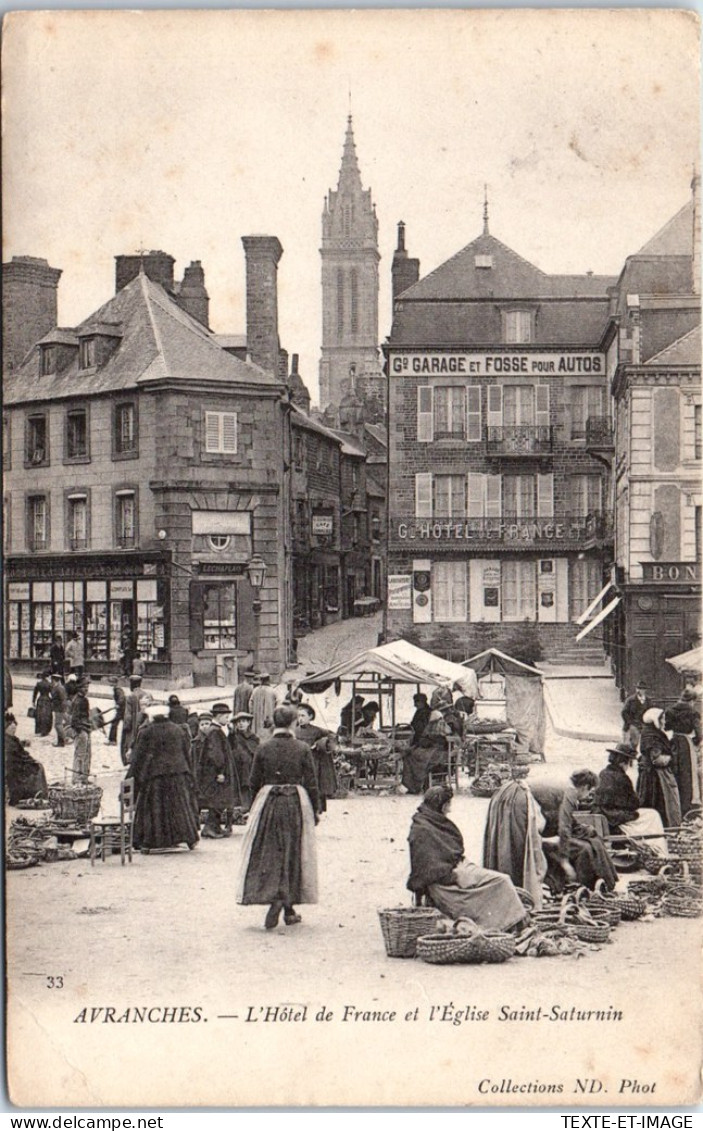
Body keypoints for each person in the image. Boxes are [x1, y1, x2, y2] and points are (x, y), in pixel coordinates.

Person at [236, 705, 319, 930]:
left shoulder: (264, 748)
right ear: (293, 723)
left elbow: (254, 782)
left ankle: (286, 906)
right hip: (295, 802)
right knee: (293, 851)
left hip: (268, 802)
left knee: (272, 853)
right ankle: (282, 900)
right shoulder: (302, 748)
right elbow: (312, 782)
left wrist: (255, 807)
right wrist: (316, 810)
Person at [407, 785, 526, 931]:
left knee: (501, 880)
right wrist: (453, 876)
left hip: (456, 868)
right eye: (448, 804)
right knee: (502, 881)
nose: (450, 809)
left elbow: (448, 854)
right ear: (441, 805)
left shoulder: (431, 821)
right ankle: (507, 923)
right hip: (444, 880)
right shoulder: (422, 829)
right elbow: (426, 869)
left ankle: (513, 921)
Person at [126, 702, 199, 852]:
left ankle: (150, 841)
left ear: (152, 716)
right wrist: (189, 773)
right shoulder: (178, 730)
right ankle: (190, 838)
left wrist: (130, 779)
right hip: (178, 774)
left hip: (156, 776)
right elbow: (186, 753)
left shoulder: (147, 732)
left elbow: (138, 758)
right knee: (179, 807)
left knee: (154, 808)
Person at [531, 771, 617, 893]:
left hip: (538, 819)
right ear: (584, 787)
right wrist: (564, 860)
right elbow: (564, 827)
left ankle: (601, 882)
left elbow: (562, 816)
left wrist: (582, 828)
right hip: (531, 822)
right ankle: (582, 886)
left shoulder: (565, 786)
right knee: (584, 848)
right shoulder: (570, 792)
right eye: (590, 792)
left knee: (593, 839)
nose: (588, 797)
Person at [482, 778, 548, 909]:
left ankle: (507, 895)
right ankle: (519, 897)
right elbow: (538, 827)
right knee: (519, 852)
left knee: (506, 850)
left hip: (509, 806)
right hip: (518, 809)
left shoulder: (504, 791)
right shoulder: (525, 795)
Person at [593, 743, 667, 851]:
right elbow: (634, 803)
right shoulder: (622, 778)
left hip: (604, 815)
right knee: (653, 815)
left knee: (648, 814)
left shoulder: (603, 773)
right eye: (628, 763)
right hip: (615, 819)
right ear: (623, 763)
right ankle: (658, 849)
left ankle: (652, 847)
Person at [638, 707, 682, 827]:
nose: (664, 721)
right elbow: (656, 759)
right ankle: (664, 826)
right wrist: (672, 758)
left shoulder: (649, 732)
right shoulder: (653, 735)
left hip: (650, 774)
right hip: (656, 777)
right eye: (661, 718)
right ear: (654, 720)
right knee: (661, 802)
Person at [199, 702, 235, 837]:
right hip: (215, 772)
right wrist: (220, 771)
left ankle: (216, 827)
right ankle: (210, 828)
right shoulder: (215, 731)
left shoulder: (216, 730)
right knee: (217, 799)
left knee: (219, 798)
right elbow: (216, 754)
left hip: (213, 771)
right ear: (219, 716)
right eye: (226, 717)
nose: (227, 719)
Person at [295, 702, 337, 813]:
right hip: (299, 761)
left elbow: (332, 736)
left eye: (303, 716)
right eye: (298, 716)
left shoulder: (317, 730)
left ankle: (317, 808)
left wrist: (320, 743)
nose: (300, 719)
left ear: (311, 717)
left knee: (314, 784)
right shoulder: (295, 731)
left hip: (314, 761)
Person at [664, 701, 701, 817]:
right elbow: (699, 733)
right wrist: (695, 741)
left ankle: (677, 805)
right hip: (686, 744)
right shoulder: (692, 712)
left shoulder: (671, 709)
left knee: (676, 773)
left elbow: (666, 726)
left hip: (674, 741)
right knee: (688, 776)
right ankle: (687, 807)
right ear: (691, 700)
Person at [4, 712, 48, 805]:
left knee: (37, 765)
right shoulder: (8, 742)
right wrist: (30, 761)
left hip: (18, 764)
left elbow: (20, 753)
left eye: (14, 727)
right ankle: (38, 793)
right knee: (39, 768)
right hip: (16, 768)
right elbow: (17, 756)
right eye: (11, 728)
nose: (14, 729)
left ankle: (37, 793)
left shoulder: (10, 739)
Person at [229, 711, 260, 811]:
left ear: (248, 723)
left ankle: (247, 806)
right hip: (235, 766)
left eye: (243, 721)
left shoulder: (254, 738)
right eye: (238, 722)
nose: (240, 724)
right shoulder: (232, 737)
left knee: (247, 786)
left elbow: (255, 752)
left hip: (249, 767)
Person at [121, 675, 146, 766]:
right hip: (145, 725)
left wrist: (126, 728)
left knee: (132, 745)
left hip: (134, 727)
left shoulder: (130, 697)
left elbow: (128, 716)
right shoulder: (148, 695)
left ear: (132, 684)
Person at [71, 677, 92, 782]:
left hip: (85, 730)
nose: (86, 689)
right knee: (80, 755)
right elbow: (74, 720)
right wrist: (81, 731)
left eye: (87, 687)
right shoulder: (78, 701)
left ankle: (83, 777)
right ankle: (77, 778)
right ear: (79, 688)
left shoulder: (83, 700)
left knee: (86, 755)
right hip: (81, 731)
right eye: (84, 687)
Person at [621, 682, 651, 749]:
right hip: (632, 724)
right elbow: (624, 712)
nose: (640, 690)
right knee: (633, 742)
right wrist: (630, 722)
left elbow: (650, 712)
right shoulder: (630, 700)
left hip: (643, 724)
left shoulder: (648, 701)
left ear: (645, 690)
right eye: (639, 688)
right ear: (636, 689)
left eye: (643, 689)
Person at [250, 672, 277, 741]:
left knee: (257, 734)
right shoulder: (273, 691)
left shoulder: (255, 691)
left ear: (261, 681)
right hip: (269, 718)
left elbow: (250, 704)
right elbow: (278, 704)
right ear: (268, 680)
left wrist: (252, 713)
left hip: (256, 718)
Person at [31, 671, 53, 736]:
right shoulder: (49, 684)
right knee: (47, 716)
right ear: (47, 676)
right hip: (47, 700)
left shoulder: (39, 683)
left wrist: (33, 701)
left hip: (40, 699)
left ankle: (38, 730)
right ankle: (45, 730)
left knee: (39, 715)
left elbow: (35, 693)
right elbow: (52, 694)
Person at [50, 673, 68, 747]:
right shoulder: (58, 687)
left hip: (59, 709)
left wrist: (63, 710)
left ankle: (63, 740)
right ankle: (60, 741)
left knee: (58, 725)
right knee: (58, 725)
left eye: (53, 680)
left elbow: (63, 699)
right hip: (58, 709)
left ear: (54, 680)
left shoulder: (59, 688)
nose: (52, 682)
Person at [107, 679, 126, 746]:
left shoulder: (118, 690)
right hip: (122, 710)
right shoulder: (117, 689)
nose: (109, 683)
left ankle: (112, 740)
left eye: (111, 682)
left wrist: (118, 704)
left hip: (122, 710)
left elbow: (122, 698)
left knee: (114, 724)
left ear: (114, 683)